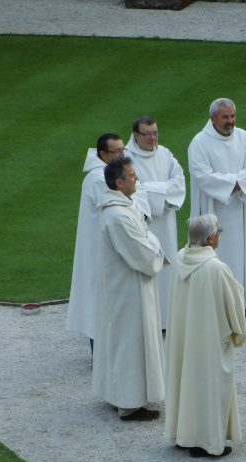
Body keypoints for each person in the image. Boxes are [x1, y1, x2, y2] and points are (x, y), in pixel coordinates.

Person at [165, 214, 246, 458]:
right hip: (209, 338)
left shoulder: (181, 259)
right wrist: (238, 332)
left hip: (184, 335)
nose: (220, 235)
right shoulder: (216, 268)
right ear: (211, 239)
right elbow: (233, 304)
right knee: (208, 386)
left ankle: (185, 434)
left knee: (185, 382)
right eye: (218, 232)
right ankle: (206, 441)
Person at [93, 157, 166, 421]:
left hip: (125, 287)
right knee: (129, 342)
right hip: (128, 289)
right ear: (118, 182)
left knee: (123, 340)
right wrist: (154, 241)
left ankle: (120, 394)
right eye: (132, 176)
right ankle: (129, 402)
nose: (137, 179)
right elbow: (144, 253)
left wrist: (149, 238)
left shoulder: (122, 208)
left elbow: (145, 237)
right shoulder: (118, 216)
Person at [67, 133, 150, 351]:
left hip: (107, 245)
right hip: (101, 250)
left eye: (124, 150)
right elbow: (126, 200)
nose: (122, 154)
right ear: (103, 154)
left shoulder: (109, 174)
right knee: (101, 302)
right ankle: (103, 354)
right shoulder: (98, 178)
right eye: (117, 151)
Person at [188, 98, 246, 310]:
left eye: (233, 116)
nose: (230, 121)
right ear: (213, 119)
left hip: (236, 209)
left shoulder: (243, 138)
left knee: (237, 252)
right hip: (211, 207)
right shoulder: (199, 142)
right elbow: (202, 175)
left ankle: (236, 300)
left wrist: (237, 183)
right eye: (225, 117)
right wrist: (234, 183)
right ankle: (212, 302)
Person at [126, 116, 186, 325]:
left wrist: (153, 189)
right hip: (144, 226)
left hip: (167, 224)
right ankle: (148, 321)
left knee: (168, 269)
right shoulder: (126, 160)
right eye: (147, 134)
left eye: (155, 133)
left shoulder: (165, 154)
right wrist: (162, 190)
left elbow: (179, 184)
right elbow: (134, 191)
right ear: (136, 136)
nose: (152, 138)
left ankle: (168, 319)